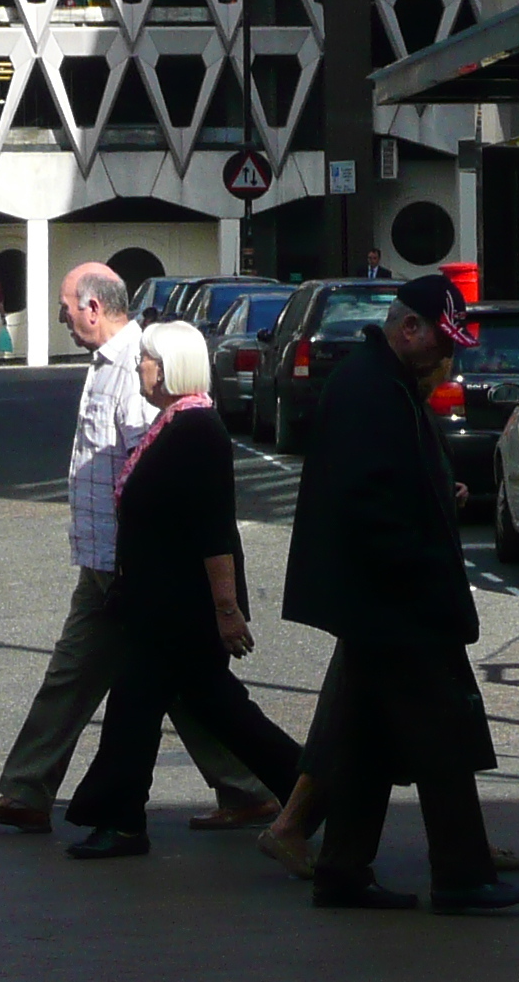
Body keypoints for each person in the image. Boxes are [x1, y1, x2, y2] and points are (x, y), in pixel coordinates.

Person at [0, 266, 275, 834]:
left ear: (92, 307)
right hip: (108, 561)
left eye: (64, 306)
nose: (60, 316)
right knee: (122, 678)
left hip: (129, 567)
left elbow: (157, 476)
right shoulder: (110, 363)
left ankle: (51, 794)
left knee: (136, 680)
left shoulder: (141, 369)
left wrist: (188, 589)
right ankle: (246, 788)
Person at [281, 273, 519, 913]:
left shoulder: (379, 383)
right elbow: (369, 505)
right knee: (442, 739)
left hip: (380, 598)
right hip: (396, 598)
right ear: (408, 326)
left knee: (365, 740)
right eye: (439, 341)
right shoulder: (373, 391)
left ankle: (341, 869)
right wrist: (419, 566)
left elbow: (387, 486)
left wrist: (433, 498)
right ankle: (462, 876)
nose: (445, 357)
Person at [61, 323, 306, 858]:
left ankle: (122, 821)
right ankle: (309, 789)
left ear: (170, 367)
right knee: (219, 711)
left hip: (181, 610)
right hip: (159, 604)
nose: (139, 368)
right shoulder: (172, 425)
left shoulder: (196, 431)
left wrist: (226, 610)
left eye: (146, 360)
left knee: (137, 708)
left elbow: (214, 531)